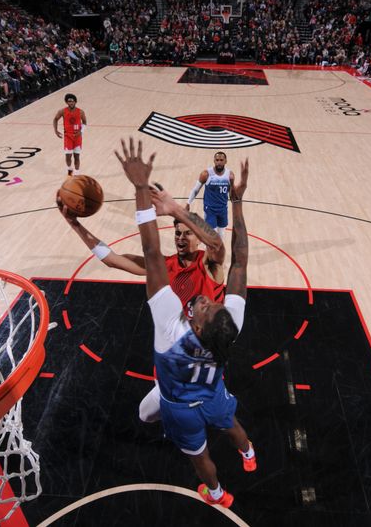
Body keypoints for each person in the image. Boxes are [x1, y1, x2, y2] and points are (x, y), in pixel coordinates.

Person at [115, 136, 255, 508]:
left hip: (180, 406)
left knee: (200, 459)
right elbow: (239, 258)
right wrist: (237, 200)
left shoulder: (168, 331)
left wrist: (141, 190)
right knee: (231, 423)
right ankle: (248, 452)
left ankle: (216, 493)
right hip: (213, 391)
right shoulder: (230, 325)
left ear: (195, 327)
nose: (207, 301)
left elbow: (149, 251)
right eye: (212, 305)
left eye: (205, 308)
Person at [59, 185, 226, 423]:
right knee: (145, 415)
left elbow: (217, 245)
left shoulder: (209, 265)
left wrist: (176, 210)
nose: (180, 238)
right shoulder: (164, 265)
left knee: (212, 419)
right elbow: (114, 259)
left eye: (187, 234)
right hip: (172, 362)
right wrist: (75, 224)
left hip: (203, 363)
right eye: (177, 234)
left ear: (198, 240)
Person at [186, 152, 234, 239]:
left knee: (221, 235)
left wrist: (235, 200)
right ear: (214, 161)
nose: (219, 162)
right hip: (210, 209)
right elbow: (196, 189)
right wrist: (188, 202)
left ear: (225, 161)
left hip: (223, 209)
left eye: (221, 160)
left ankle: (219, 252)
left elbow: (231, 192)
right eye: (217, 160)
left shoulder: (230, 175)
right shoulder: (206, 174)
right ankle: (208, 251)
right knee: (211, 236)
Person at [53, 93, 87, 176]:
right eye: (69, 101)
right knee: (68, 156)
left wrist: (81, 131)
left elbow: (85, 122)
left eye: (72, 101)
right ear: (66, 102)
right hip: (68, 136)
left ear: (75, 102)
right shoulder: (62, 111)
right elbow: (55, 119)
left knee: (77, 156)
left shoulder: (81, 112)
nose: (71, 103)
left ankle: (77, 173)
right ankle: (69, 170)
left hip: (77, 137)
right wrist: (56, 130)